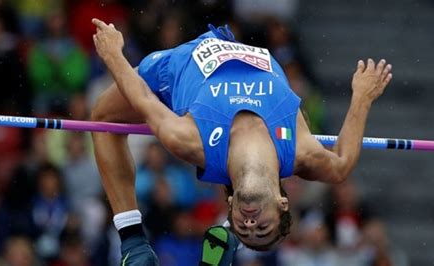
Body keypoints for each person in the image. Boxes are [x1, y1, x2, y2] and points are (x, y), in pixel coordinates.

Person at [90, 18, 392, 265]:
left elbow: (142, 99)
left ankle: (133, 243)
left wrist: (115, 55)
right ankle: (224, 245)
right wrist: (362, 98)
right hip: (240, 47)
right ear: (283, 204)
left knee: (102, 117)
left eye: (245, 229)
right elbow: (342, 162)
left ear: (231, 205)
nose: (251, 224)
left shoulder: (192, 141)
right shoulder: (301, 151)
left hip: (173, 71)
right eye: (263, 227)